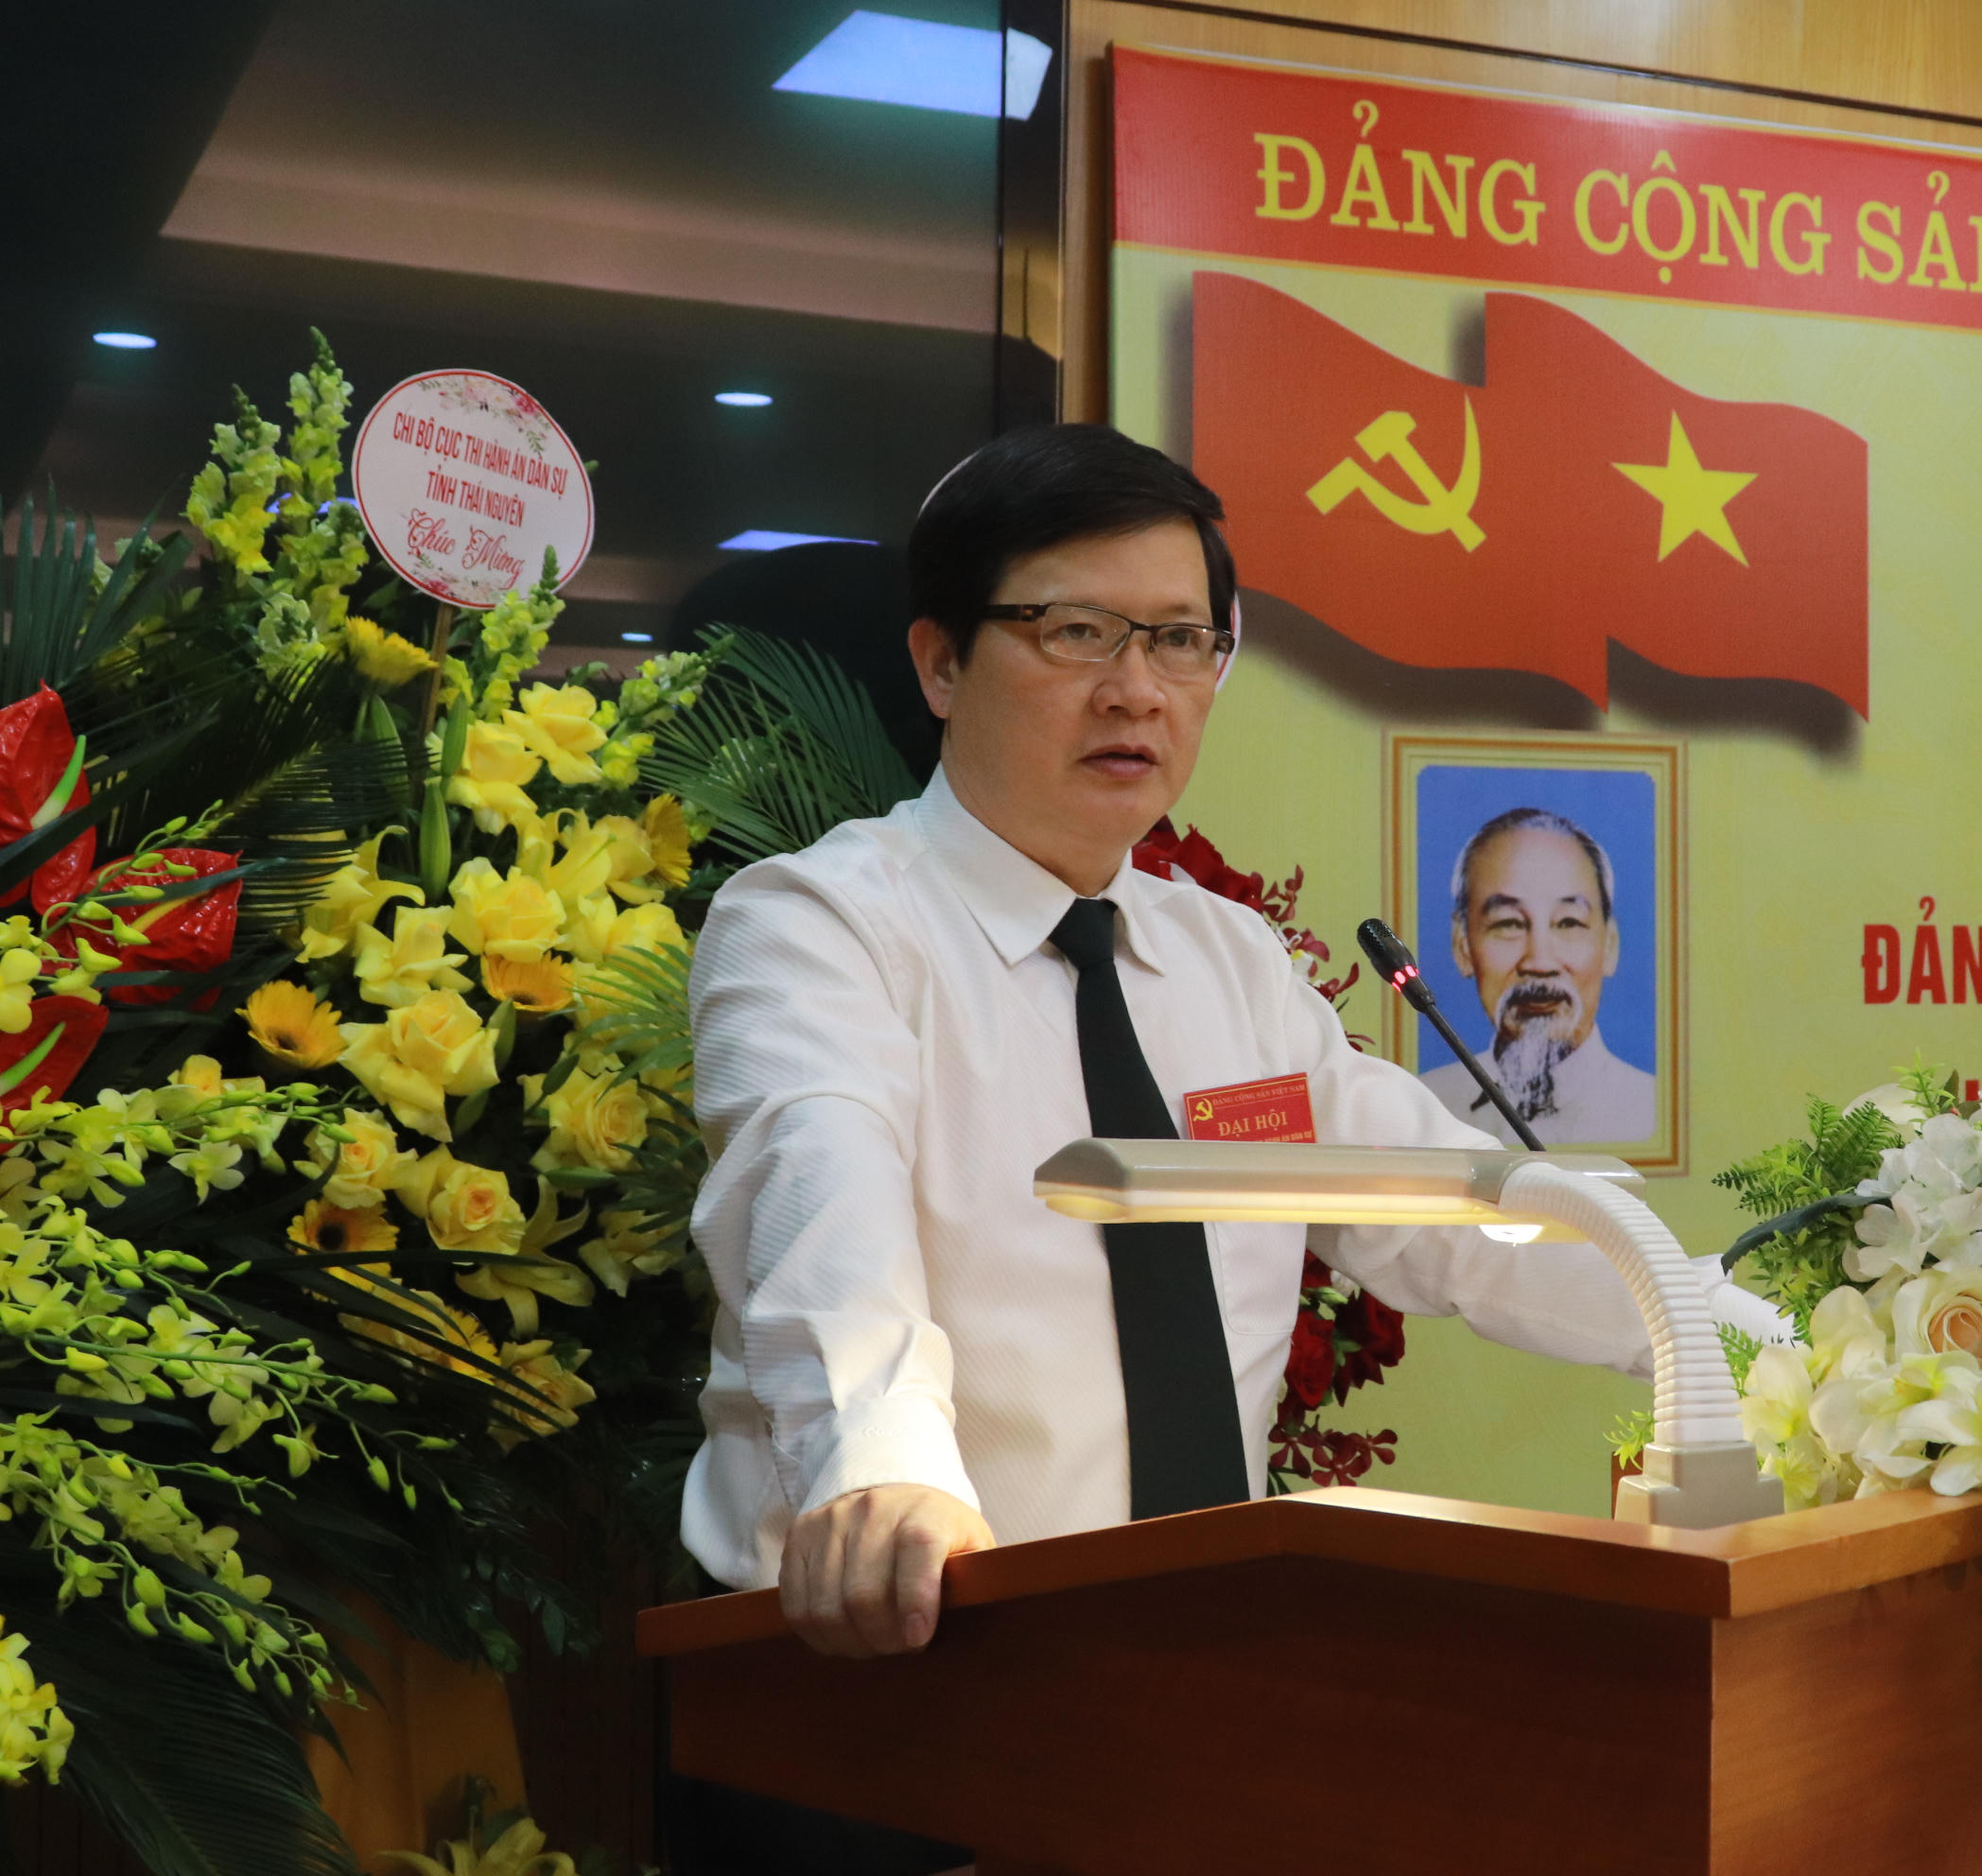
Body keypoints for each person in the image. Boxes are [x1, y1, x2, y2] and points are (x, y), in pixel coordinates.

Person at [674, 426, 1766, 1867]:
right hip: (894, 1701)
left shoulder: (1228, 960)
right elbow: (820, 1200)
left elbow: (1455, 1214)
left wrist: (1781, 1351)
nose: (1138, 688)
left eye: (1183, 640)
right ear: (940, 663)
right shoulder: (820, 925)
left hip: (1189, 1697)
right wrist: (876, 1463)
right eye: (1077, 632)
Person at [1418, 807, 1657, 1145]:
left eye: (1569, 922)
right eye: (1509, 923)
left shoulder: (1651, 1112)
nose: (1540, 963)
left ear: (1610, 945)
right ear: (1463, 947)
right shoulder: (1424, 1109)